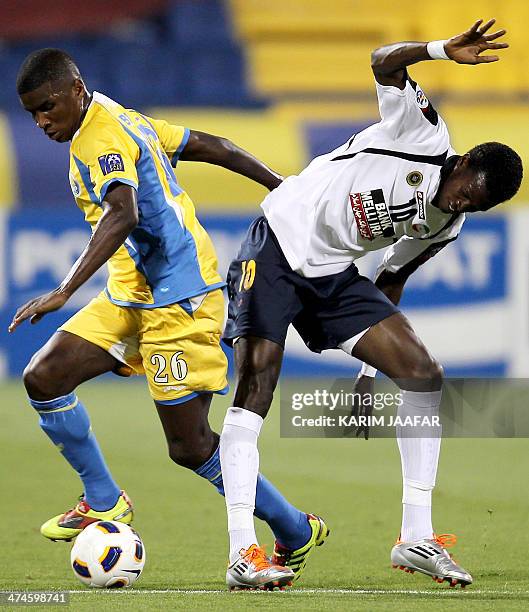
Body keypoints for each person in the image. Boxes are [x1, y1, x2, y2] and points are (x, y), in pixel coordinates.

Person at [220, 18, 523, 589]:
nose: (462, 202)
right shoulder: (423, 133)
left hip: (333, 273)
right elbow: (383, 60)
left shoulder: (446, 223)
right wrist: (439, 51)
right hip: (282, 241)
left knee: (422, 372)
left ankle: (415, 536)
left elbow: (390, 279)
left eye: (475, 206)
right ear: (461, 164)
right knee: (257, 383)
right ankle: (242, 552)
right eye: (466, 190)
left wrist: (365, 370)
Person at [10, 49, 328, 590]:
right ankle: (105, 502)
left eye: (48, 108)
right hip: (131, 293)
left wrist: (65, 289)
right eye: (33, 114)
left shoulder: (102, 136)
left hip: (180, 299)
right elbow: (209, 144)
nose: (42, 122)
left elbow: (122, 212)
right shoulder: (118, 115)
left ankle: (294, 527)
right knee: (45, 376)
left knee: (189, 446)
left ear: (75, 89)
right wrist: (277, 182)